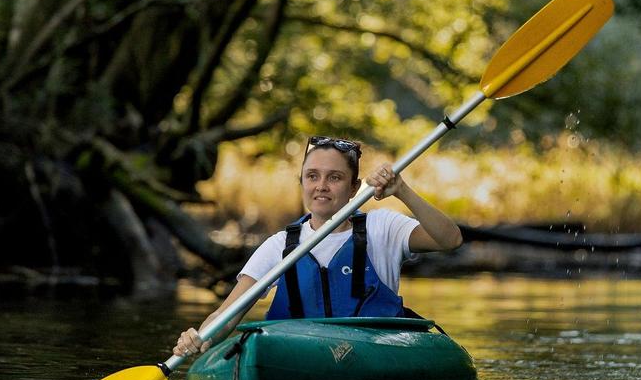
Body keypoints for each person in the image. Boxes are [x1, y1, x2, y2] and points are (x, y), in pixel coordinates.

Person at [173, 135, 463, 358]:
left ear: (353, 187)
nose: (321, 186)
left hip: (375, 354)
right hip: (302, 358)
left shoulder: (383, 228)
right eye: (312, 176)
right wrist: (201, 336)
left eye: (334, 177)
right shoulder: (279, 246)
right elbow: (227, 315)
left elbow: (450, 239)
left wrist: (402, 191)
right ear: (302, 182)